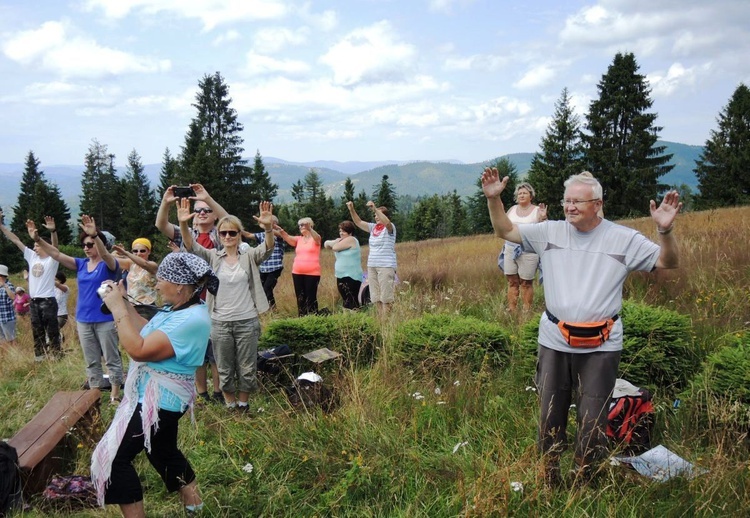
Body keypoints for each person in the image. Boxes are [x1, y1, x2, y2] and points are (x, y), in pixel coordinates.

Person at [481, 167, 681, 485]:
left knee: (592, 419)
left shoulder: (623, 238)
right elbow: (505, 231)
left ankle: (585, 479)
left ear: (598, 204)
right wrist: (494, 200)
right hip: (554, 340)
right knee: (550, 415)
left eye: (578, 201)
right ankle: (550, 478)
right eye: (567, 201)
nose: (570, 207)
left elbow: (667, 262)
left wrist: (666, 233)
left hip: (602, 344)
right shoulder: (549, 232)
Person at [91, 253, 217, 517]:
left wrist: (116, 312)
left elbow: (138, 348)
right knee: (163, 452)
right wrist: (125, 305)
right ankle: (196, 509)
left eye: (161, 280)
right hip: (158, 398)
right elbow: (148, 330)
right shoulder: (178, 309)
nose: (157, 286)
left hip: (159, 401)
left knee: (115, 460)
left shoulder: (191, 319)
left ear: (180, 285)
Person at [178, 199, 274, 412]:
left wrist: (268, 228)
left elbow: (268, 247)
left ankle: (243, 404)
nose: (228, 237)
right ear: (219, 236)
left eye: (233, 233)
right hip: (219, 323)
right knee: (224, 367)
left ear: (239, 235)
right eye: (224, 233)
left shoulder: (249, 256)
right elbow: (191, 245)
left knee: (247, 367)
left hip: (247, 320)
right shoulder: (213, 257)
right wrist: (184, 224)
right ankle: (230, 405)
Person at [32, 215, 123, 403]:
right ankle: (94, 394)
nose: (86, 248)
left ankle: (115, 394)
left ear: (99, 245)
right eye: (85, 245)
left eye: (90, 245)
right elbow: (56, 254)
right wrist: (38, 239)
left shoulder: (109, 265)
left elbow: (106, 255)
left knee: (111, 357)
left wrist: (95, 235)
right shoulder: (81, 264)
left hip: (105, 318)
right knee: (91, 359)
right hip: (84, 319)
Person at [156, 184, 229, 403]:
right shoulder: (186, 233)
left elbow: (230, 219)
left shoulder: (222, 235)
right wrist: (166, 202)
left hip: (217, 299)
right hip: (190, 302)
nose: (202, 213)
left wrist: (208, 197)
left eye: (207, 210)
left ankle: (218, 391)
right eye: (198, 210)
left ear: (214, 215)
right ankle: (201, 392)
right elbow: (160, 224)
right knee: (197, 350)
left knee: (216, 351)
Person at [0, 214, 62, 359]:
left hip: (48, 301)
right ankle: (40, 357)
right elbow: (16, 240)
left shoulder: (52, 260)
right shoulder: (32, 257)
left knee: (52, 330)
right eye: (34, 246)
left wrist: (53, 232)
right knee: (37, 330)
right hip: (34, 301)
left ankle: (56, 356)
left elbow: (56, 248)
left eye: (37, 245)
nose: (35, 248)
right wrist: (1, 226)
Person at [499, 182, 547, 312]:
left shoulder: (537, 210)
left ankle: (526, 311)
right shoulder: (512, 210)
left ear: (531, 196)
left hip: (529, 251)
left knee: (526, 283)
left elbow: (544, 230)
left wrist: (543, 218)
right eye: (519, 193)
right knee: (512, 281)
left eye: (525, 193)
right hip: (510, 249)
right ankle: (512, 310)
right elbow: (503, 225)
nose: (522, 195)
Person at [346, 201, 397, 316]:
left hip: (386, 265)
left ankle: (387, 321)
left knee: (386, 296)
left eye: (379, 214)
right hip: (372, 265)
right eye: (375, 215)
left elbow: (387, 223)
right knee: (375, 296)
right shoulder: (373, 227)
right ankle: (380, 319)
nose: (376, 216)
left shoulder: (390, 228)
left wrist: (375, 209)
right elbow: (358, 222)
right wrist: (351, 210)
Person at [278, 217, 322, 316]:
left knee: (311, 297)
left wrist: (310, 229)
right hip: (297, 272)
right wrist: (278, 229)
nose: (301, 227)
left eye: (303, 224)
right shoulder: (299, 239)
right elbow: (287, 237)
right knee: (300, 297)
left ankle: (313, 317)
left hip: (312, 273)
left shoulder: (315, 238)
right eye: (300, 225)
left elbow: (317, 239)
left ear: (310, 225)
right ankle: (302, 317)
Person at [243, 215, 285, 309]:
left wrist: (267, 226)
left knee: (267, 288)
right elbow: (248, 235)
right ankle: (264, 309)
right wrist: (237, 229)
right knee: (260, 290)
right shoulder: (261, 235)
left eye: (271, 222)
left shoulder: (279, 234)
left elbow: (279, 234)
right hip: (263, 268)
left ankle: (273, 310)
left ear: (275, 224)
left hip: (275, 267)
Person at [324, 221, 363, 310]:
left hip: (352, 275)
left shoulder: (351, 239)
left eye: (344, 231)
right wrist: (336, 242)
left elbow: (335, 248)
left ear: (350, 232)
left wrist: (335, 243)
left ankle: (355, 318)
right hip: (341, 274)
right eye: (340, 231)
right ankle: (346, 319)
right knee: (345, 300)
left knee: (351, 299)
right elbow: (326, 244)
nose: (341, 233)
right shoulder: (340, 241)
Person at [111, 239, 158, 305]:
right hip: (132, 306)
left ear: (149, 252)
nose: (138, 254)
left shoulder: (152, 265)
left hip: (148, 306)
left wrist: (126, 253)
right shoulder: (130, 264)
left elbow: (144, 264)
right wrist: (114, 253)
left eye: (142, 251)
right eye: (135, 251)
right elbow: (111, 261)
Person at [0, 264, 17, 350]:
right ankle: (7, 356)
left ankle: (15, 356)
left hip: (7, 318)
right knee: (2, 341)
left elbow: (13, 297)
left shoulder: (9, 285)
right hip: (0, 318)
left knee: (11, 340)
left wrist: (4, 285)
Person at [54, 271, 69, 343]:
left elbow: (58, 285)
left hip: (61, 314)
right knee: (51, 330)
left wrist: (50, 279)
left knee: (55, 329)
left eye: (56, 279)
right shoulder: (52, 289)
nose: (54, 281)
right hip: (53, 314)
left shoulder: (65, 288)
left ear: (60, 280)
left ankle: (59, 342)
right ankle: (58, 342)